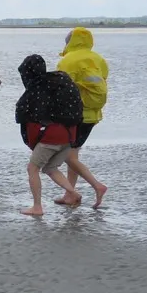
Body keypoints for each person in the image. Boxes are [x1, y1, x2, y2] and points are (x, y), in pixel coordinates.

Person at [15, 54, 83, 216]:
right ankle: (73, 192)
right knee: (50, 168)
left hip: (51, 137)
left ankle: (37, 207)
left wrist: (33, 141)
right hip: (70, 135)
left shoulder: (36, 89)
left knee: (32, 168)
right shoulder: (60, 81)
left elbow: (26, 117)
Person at [54, 27, 109, 208]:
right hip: (93, 114)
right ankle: (69, 193)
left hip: (75, 114)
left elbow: (61, 89)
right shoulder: (99, 59)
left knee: (67, 156)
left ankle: (97, 186)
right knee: (73, 154)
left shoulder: (67, 61)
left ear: (70, 42)